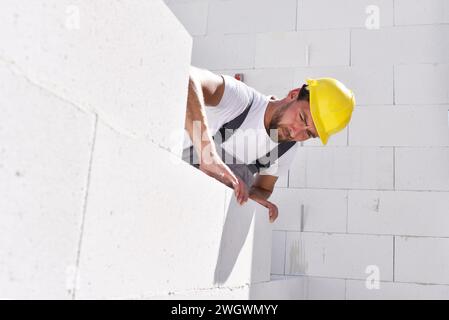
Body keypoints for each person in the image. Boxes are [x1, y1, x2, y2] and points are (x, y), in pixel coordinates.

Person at [183, 66, 355, 223]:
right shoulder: (242, 102)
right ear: (294, 94)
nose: (295, 133)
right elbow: (188, 77)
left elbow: (263, 187)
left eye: (308, 134)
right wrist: (208, 154)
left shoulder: (284, 148)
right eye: (302, 118)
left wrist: (253, 196)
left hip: (200, 217)